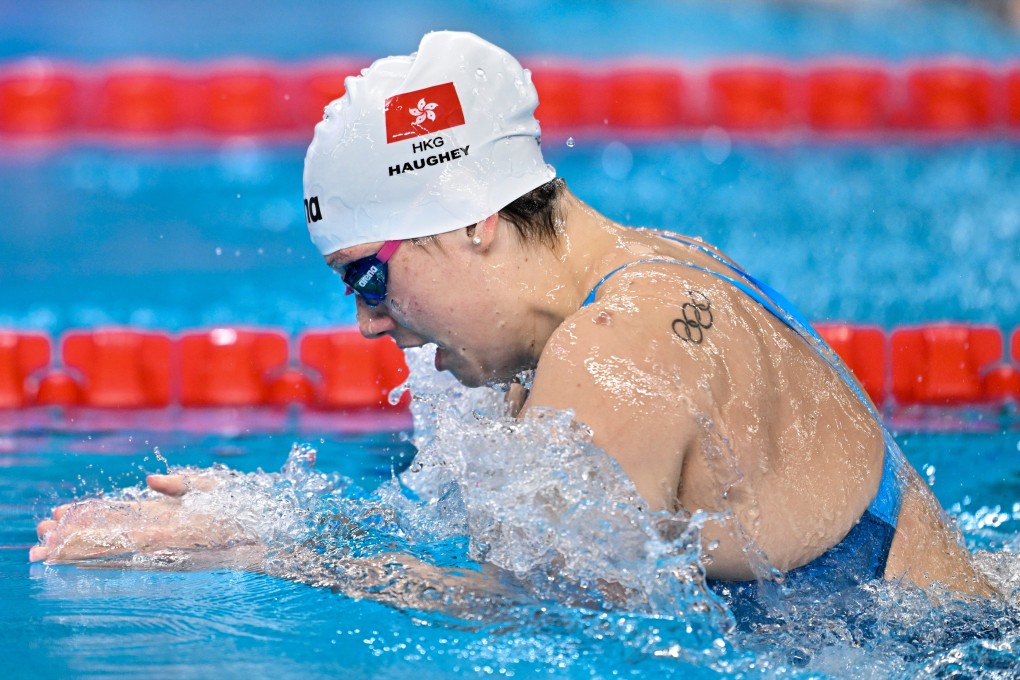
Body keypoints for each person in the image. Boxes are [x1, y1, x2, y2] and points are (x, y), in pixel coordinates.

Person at [33, 31, 995, 618]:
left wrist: (254, 548)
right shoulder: (648, 272)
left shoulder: (619, 349)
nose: (370, 326)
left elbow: (536, 620)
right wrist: (266, 507)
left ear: (471, 222)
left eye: (370, 278)